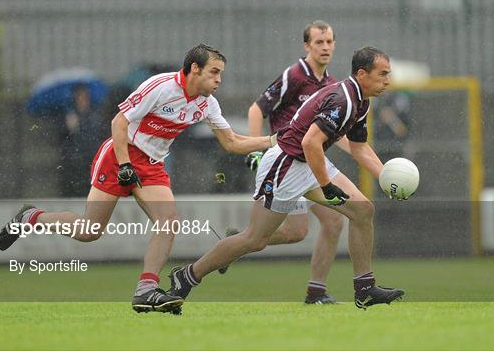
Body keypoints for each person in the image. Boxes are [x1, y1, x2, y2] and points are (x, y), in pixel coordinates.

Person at [0, 44, 276, 314]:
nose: (219, 79)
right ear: (195, 68)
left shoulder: (207, 104)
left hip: (152, 165)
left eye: (221, 73)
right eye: (214, 72)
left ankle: (146, 288)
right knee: (89, 231)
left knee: (168, 223)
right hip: (120, 154)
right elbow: (119, 122)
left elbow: (231, 142)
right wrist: (125, 164)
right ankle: (31, 218)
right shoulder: (161, 86)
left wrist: (273, 140)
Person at [168, 46, 405, 310]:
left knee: (362, 210)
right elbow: (310, 142)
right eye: (383, 74)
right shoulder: (343, 99)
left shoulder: (361, 101)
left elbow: (359, 147)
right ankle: (187, 276)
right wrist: (326, 186)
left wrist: (387, 177)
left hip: (307, 162)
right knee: (254, 239)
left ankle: (365, 289)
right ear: (362, 74)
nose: (388, 80)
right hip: (285, 165)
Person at [241, 20, 350, 304]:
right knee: (295, 232)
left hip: (309, 162)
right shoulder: (295, 75)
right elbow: (256, 109)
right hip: (287, 161)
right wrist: (255, 150)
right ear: (307, 46)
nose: (325, 47)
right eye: (318, 42)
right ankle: (237, 242)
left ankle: (316, 292)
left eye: (329, 42)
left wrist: (364, 156)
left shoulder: (330, 84)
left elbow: (333, 133)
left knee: (328, 223)